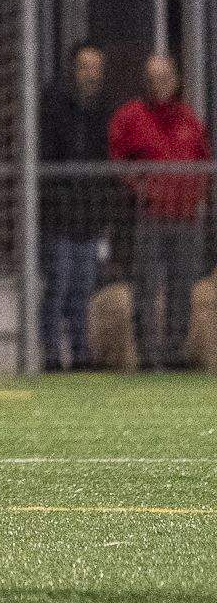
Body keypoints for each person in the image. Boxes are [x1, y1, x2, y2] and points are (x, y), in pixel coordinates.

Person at [108, 53, 211, 371]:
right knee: (146, 286)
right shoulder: (130, 116)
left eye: (166, 75)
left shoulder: (189, 118)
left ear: (176, 79)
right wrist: (141, 188)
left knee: (183, 286)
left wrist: (199, 196)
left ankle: (174, 352)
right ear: (146, 81)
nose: (160, 82)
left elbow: (204, 160)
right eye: (154, 76)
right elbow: (117, 158)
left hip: (185, 218)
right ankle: (148, 355)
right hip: (150, 217)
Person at [39, 41, 112, 371]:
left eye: (96, 67)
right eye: (85, 66)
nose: (91, 74)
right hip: (59, 217)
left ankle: (82, 354)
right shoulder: (54, 105)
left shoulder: (104, 112)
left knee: (83, 289)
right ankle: (51, 355)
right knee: (58, 287)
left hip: (89, 218)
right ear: (73, 69)